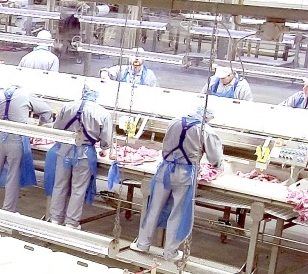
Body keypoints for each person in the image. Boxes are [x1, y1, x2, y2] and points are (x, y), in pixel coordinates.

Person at [130, 106, 226, 262]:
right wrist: (218, 167)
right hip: (185, 174)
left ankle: (142, 244)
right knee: (178, 213)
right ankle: (170, 253)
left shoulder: (174, 122)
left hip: (164, 170)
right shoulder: (205, 130)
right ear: (207, 117)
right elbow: (215, 159)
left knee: (153, 208)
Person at [44, 86, 112, 229]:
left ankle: (55, 219)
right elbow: (106, 140)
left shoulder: (67, 106)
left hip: (64, 150)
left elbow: (57, 128)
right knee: (78, 189)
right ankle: (71, 223)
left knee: (59, 185)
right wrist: (104, 149)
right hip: (85, 154)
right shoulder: (103, 113)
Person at [0, 84, 54, 213]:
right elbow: (47, 111)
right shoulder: (26, 95)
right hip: (16, 137)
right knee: (13, 174)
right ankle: (8, 210)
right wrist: (41, 124)